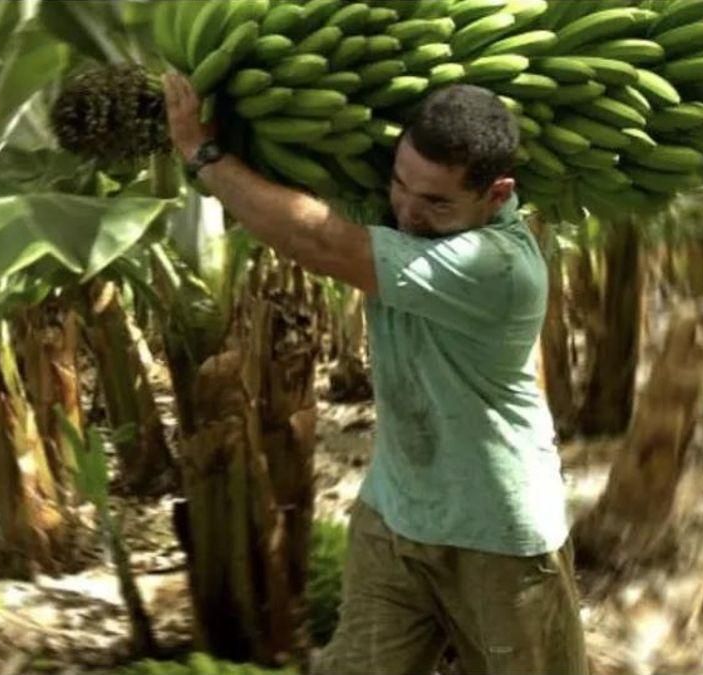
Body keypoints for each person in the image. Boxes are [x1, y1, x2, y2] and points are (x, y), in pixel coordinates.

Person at [161, 72, 589, 675]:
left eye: (436, 202)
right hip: (395, 515)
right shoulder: (400, 214)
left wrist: (202, 153)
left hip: (497, 537)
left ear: (497, 195)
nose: (408, 212)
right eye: (400, 184)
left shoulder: (499, 267)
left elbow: (324, 244)